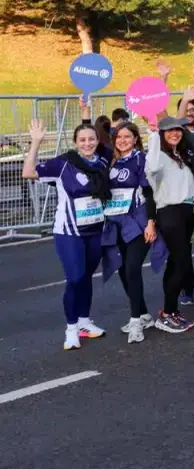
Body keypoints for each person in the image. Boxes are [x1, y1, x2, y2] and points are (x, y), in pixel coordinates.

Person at [23, 120, 110, 350]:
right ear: (75, 143)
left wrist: (85, 109)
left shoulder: (102, 162)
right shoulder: (63, 163)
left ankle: (84, 321)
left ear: (97, 141)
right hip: (69, 232)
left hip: (94, 229)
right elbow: (28, 172)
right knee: (75, 278)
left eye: (91, 139)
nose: (87, 143)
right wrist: (36, 143)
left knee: (86, 277)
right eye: (82, 140)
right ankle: (71, 328)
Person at [101, 122, 160, 344]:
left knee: (133, 268)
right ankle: (144, 314)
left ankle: (135, 320)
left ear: (136, 139)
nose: (123, 140)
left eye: (128, 136)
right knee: (123, 269)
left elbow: (149, 191)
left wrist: (151, 222)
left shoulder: (141, 160)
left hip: (138, 221)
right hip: (116, 222)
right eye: (119, 137)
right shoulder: (111, 162)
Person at [146, 115, 194, 334]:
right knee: (182, 263)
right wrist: (152, 136)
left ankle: (171, 310)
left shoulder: (180, 155)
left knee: (177, 263)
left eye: (177, 130)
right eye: (168, 131)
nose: (174, 133)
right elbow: (152, 168)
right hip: (170, 212)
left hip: (186, 212)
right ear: (161, 134)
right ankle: (167, 314)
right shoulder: (158, 155)